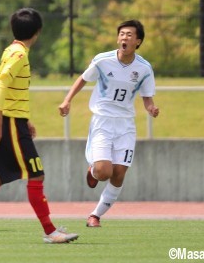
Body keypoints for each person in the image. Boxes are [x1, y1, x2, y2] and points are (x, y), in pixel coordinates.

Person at [0, 8, 78, 244]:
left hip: (15, 121)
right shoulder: (19, 55)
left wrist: (24, 118)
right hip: (11, 124)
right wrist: (0, 122)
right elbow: (1, 84)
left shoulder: (12, 50)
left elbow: (7, 87)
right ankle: (50, 231)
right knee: (36, 174)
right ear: (37, 32)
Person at [58, 19, 159, 228]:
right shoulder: (102, 60)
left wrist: (151, 108)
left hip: (126, 125)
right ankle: (93, 170)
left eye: (129, 35)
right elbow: (83, 79)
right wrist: (67, 100)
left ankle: (95, 215)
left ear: (138, 41)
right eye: (122, 34)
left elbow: (147, 97)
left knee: (119, 173)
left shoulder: (144, 68)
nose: (124, 38)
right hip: (103, 121)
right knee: (104, 172)